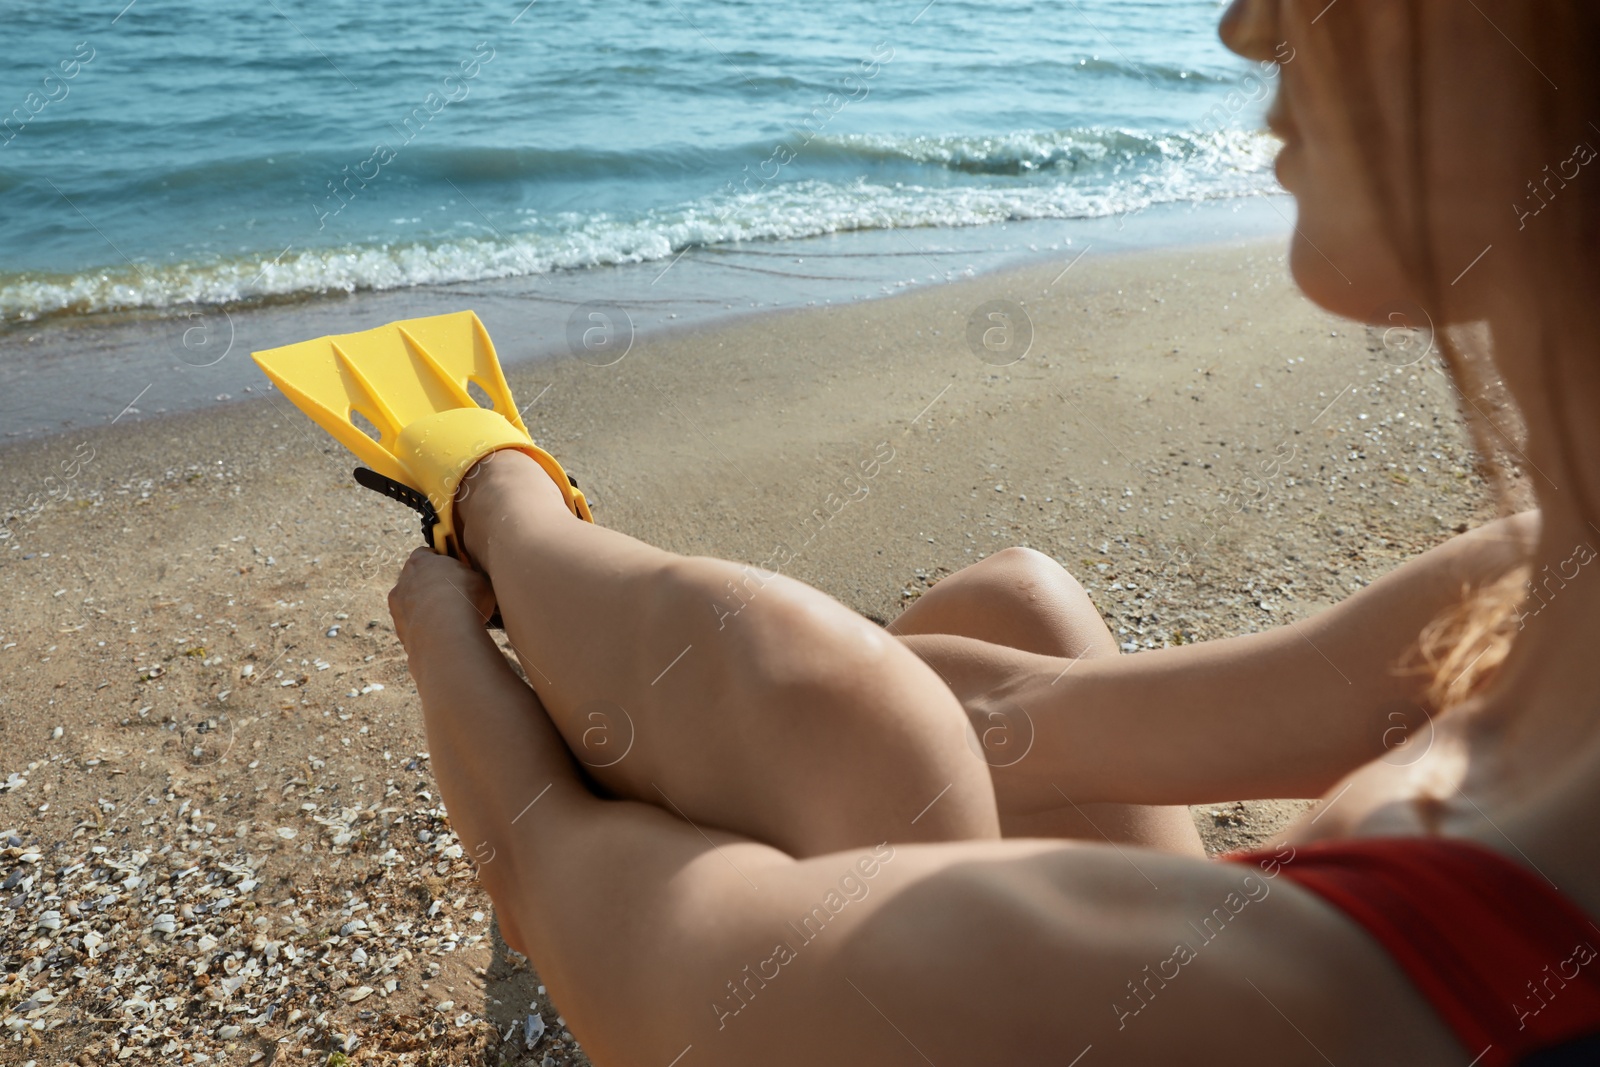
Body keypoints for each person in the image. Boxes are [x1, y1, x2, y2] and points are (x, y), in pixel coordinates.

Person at [385, 1, 1600, 1063]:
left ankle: (490, 496)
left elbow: (566, 880)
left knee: (866, 737)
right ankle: (520, 531)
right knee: (1006, 612)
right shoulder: (1536, 581)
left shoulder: (1223, 1009)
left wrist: (452, 613)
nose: (1249, 26)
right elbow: (1030, 724)